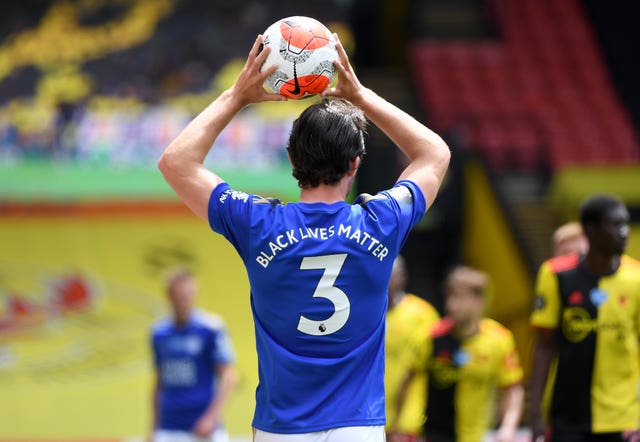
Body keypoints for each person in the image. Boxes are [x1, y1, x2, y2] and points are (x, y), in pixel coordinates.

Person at [157, 32, 450, 442]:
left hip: (282, 429)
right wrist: (361, 96)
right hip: (358, 428)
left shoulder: (257, 224)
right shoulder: (381, 222)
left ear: (292, 158)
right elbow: (434, 153)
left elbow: (175, 162)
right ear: (354, 164)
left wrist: (237, 96)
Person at [530, 194, 640, 442]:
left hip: (622, 418)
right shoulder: (556, 275)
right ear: (591, 230)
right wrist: (535, 411)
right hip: (566, 417)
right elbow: (544, 346)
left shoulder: (636, 278)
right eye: (616, 224)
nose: (624, 232)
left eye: (626, 224)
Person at [393, 266, 524, 442]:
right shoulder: (432, 337)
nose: (452, 305)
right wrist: (398, 425)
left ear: (480, 301)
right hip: (433, 434)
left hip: (476, 437)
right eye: (449, 296)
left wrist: (508, 428)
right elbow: (407, 381)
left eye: (460, 297)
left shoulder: (499, 340)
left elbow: (512, 389)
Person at [150, 269, 237, 442]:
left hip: (204, 428)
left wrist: (211, 418)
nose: (184, 301)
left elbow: (228, 376)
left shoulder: (211, 328)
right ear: (169, 296)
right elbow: (159, 383)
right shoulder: (159, 333)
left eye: (188, 295)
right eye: (179, 296)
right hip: (169, 427)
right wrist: (153, 427)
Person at [385, 255, 440, 442]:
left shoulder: (423, 314)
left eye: (390, 274)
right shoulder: (366, 314)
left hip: (408, 423)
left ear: (402, 278)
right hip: (370, 419)